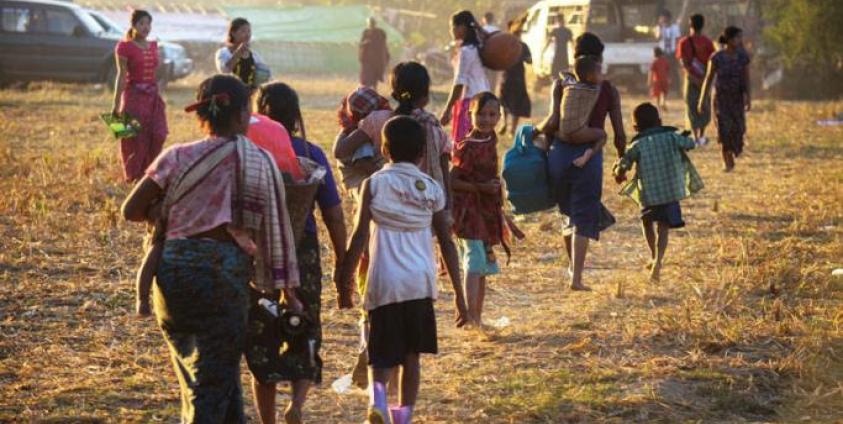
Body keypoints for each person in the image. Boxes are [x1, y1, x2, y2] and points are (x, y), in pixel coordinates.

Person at [121, 74, 301, 423]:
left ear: (202, 114)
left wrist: (161, 212)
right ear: (242, 114)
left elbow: (131, 209)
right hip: (222, 278)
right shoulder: (257, 161)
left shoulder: (177, 156)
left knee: (210, 374)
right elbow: (275, 229)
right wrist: (286, 289)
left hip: (172, 275)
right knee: (210, 382)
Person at [335, 62, 456, 392]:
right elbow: (445, 173)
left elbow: (341, 151)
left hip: (377, 232)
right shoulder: (432, 128)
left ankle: (371, 362)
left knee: (372, 302)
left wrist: (350, 127)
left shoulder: (378, 122)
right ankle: (401, 406)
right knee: (411, 347)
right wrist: (447, 210)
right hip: (419, 240)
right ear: (426, 94)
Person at [339, 116, 467, 424]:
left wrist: (344, 280)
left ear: (384, 150)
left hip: (385, 282)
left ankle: (379, 401)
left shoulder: (374, 184)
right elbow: (447, 244)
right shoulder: (432, 189)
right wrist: (460, 296)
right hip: (420, 282)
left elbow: (359, 236)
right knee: (412, 356)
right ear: (422, 153)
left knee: (381, 353)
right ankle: (403, 416)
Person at [248, 82, 350, 424]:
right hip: (301, 249)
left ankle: (268, 419)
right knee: (304, 324)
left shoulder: (249, 153)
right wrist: (342, 261)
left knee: (261, 333)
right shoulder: (310, 153)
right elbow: (333, 214)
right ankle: (296, 405)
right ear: (295, 116)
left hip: (256, 251)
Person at [538, 32, 627, 291]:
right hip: (588, 158)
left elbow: (553, 121)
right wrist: (621, 161)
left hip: (559, 156)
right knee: (584, 213)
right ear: (599, 58)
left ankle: (571, 267)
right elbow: (619, 133)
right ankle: (576, 277)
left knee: (567, 212)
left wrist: (535, 136)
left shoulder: (561, 84)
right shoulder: (607, 89)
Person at [613, 103, 703, 282]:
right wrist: (685, 134)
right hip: (669, 192)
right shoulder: (671, 137)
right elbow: (691, 144)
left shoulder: (637, 144)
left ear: (636, 128)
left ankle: (653, 255)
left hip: (648, 195)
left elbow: (624, 163)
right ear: (660, 121)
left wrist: (618, 172)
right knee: (663, 227)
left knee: (647, 223)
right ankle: (658, 260)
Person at [450, 92, 510, 326]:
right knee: (474, 263)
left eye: (492, 114)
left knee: (482, 266)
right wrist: (480, 187)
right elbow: (452, 181)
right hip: (468, 212)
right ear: (469, 115)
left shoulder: (490, 139)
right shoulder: (467, 146)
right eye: (481, 114)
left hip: (485, 212)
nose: (486, 119)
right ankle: (470, 317)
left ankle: (477, 317)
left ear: (499, 117)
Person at [111, 10, 168, 183]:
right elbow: (121, 76)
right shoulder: (124, 47)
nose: (146, 27)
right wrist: (115, 105)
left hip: (152, 97)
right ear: (133, 25)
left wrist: (159, 90)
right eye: (142, 23)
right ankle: (133, 176)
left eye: (148, 23)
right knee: (132, 136)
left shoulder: (153, 45)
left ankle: (150, 172)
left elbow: (158, 72)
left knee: (158, 134)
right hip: (133, 96)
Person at [699, 26, 751, 172]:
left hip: (737, 99)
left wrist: (749, 97)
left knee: (739, 129)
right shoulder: (716, 58)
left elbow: (746, 79)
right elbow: (708, 79)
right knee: (724, 130)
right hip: (721, 100)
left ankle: (733, 151)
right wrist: (702, 99)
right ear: (729, 40)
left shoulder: (743, 57)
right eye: (737, 38)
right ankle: (727, 161)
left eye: (740, 37)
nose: (740, 40)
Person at [440, 10, 491, 143]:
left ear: (462, 27)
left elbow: (459, 83)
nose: (451, 31)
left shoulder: (466, 51)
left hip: (470, 101)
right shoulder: (478, 47)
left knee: (462, 143)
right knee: (480, 143)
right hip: (485, 98)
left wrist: (447, 110)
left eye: (452, 27)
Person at [334, 86, 392, 193]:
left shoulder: (360, 130)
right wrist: (387, 178)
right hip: (366, 183)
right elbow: (362, 163)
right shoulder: (362, 139)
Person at [558, 55, 608, 169]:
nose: (602, 76)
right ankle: (587, 156)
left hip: (562, 133)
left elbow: (562, 73)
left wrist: (576, 72)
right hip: (579, 132)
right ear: (590, 77)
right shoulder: (594, 89)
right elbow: (599, 82)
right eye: (599, 73)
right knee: (603, 135)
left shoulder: (568, 84)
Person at [677, 14, 715, 144]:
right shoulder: (708, 42)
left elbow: (683, 62)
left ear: (690, 24)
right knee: (704, 106)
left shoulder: (684, 42)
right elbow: (712, 61)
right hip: (705, 79)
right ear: (703, 25)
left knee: (691, 106)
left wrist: (693, 77)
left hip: (690, 79)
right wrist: (705, 79)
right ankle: (701, 135)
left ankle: (696, 136)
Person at [216, 18, 271, 90]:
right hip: (230, 92)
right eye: (243, 31)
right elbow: (225, 71)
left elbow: (266, 74)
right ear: (233, 33)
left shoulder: (254, 55)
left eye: (249, 31)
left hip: (250, 94)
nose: (247, 35)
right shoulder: (224, 52)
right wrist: (239, 52)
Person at [498, 23, 532, 136]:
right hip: (513, 77)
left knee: (507, 101)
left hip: (510, 77)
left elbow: (529, 60)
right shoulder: (519, 46)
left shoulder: (510, 45)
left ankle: (508, 126)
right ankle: (508, 127)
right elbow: (529, 60)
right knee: (508, 101)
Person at [359, 17, 390, 89]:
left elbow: (383, 45)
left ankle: (374, 89)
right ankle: (367, 90)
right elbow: (361, 43)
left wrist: (385, 55)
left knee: (375, 76)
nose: (371, 24)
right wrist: (365, 43)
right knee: (367, 76)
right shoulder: (366, 32)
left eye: (372, 23)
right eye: (370, 23)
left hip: (377, 58)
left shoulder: (380, 32)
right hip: (367, 59)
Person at [655, 9, 681, 96]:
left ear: (668, 18)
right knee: (663, 72)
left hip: (672, 52)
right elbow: (658, 38)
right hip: (663, 53)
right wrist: (660, 28)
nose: (661, 19)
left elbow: (678, 40)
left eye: (663, 17)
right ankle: (665, 90)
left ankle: (676, 89)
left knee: (673, 71)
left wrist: (678, 52)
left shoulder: (675, 27)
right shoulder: (659, 28)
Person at [547, 12, 574, 79]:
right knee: (564, 74)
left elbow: (549, 41)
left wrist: (544, 50)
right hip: (564, 54)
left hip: (557, 54)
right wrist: (575, 52)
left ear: (557, 20)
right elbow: (572, 43)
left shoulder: (555, 30)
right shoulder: (567, 31)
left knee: (555, 75)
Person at [649, 47, 671, 112]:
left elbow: (651, 72)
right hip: (665, 79)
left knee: (657, 94)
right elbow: (668, 70)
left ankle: (658, 105)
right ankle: (663, 102)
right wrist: (669, 78)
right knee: (664, 92)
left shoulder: (654, 61)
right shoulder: (665, 61)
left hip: (657, 80)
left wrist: (649, 80)